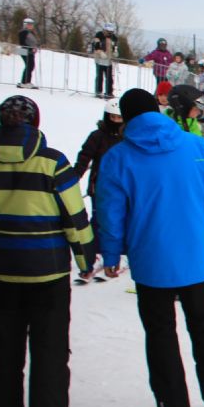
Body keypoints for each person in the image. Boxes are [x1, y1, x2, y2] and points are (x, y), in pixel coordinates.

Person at [96, 88, 204, 407]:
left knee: (160, 335)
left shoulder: (118, 158)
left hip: (151, 262)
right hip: (195, 259)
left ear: (127, 119)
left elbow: (110, 213)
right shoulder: (196, 147)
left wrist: (112, 253)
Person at [0, 95, 96, 407]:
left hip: (4, 271)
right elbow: (75, 217)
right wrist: (85, 259)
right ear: (35, 123)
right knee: (50, 352)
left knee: (5, 351)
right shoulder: (53, 164)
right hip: (48, 274)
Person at [72, 101, 124, 283]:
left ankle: (119, 253)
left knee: (120, 220)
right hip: (100, 186)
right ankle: (94, 254)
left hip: (123, 187)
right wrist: (75, 175)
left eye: (119, 118)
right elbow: (85, 156)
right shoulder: (98, 136)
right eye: (113, 117)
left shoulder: (128, 137)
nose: (116, 121)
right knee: (99, 220)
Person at [90, 25, 118, 98]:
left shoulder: (114, 38)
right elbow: (96, 45)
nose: (109, 33)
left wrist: (115, 52)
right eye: (108, 32)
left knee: (109, 77)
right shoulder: (99, 35)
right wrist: (100, 52)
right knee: (99, 76)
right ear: (105, 30)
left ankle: (109, 92)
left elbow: (115, 46)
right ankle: (98, 92)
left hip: (108, 60)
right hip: (99, 59)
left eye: (111, 32)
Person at [17, 17, 38, 88]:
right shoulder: (24, 32)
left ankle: (26, 82)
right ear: (25, 25)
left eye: (32, 24)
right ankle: (25, 82)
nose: (31, 26)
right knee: (29, 66)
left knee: (30, 66)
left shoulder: (30, 32)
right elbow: (22, 42)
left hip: (29, 52)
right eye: (29, 24)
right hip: (25, 51)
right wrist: (31, 48)